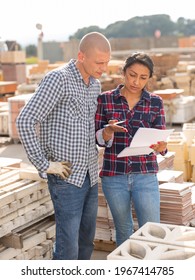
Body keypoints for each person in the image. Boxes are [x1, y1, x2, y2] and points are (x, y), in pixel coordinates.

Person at [16, 32, 111, 260]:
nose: (104, 68)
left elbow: (87, 130)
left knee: (86, 241)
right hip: (66, 179)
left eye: (106, 63)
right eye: (99, 62)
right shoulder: (59, 79)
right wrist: (44, 164)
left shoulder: (95, 85)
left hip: (90, 174)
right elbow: (25, 120)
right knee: (68, 247)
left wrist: (105, 133)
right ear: (81, 55)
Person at [95, 52, 167, 246]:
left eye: (143, 78)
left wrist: (161, 146)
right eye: (132, 75)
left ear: (149, 79)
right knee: (124, 229)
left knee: (152, 230)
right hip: (114, 175)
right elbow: (98, 138)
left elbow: (161, 140)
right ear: (123, 72)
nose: (136, 81)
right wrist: (108, 132)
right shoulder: (105, 100)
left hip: (145, 174)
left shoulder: (155, 102)